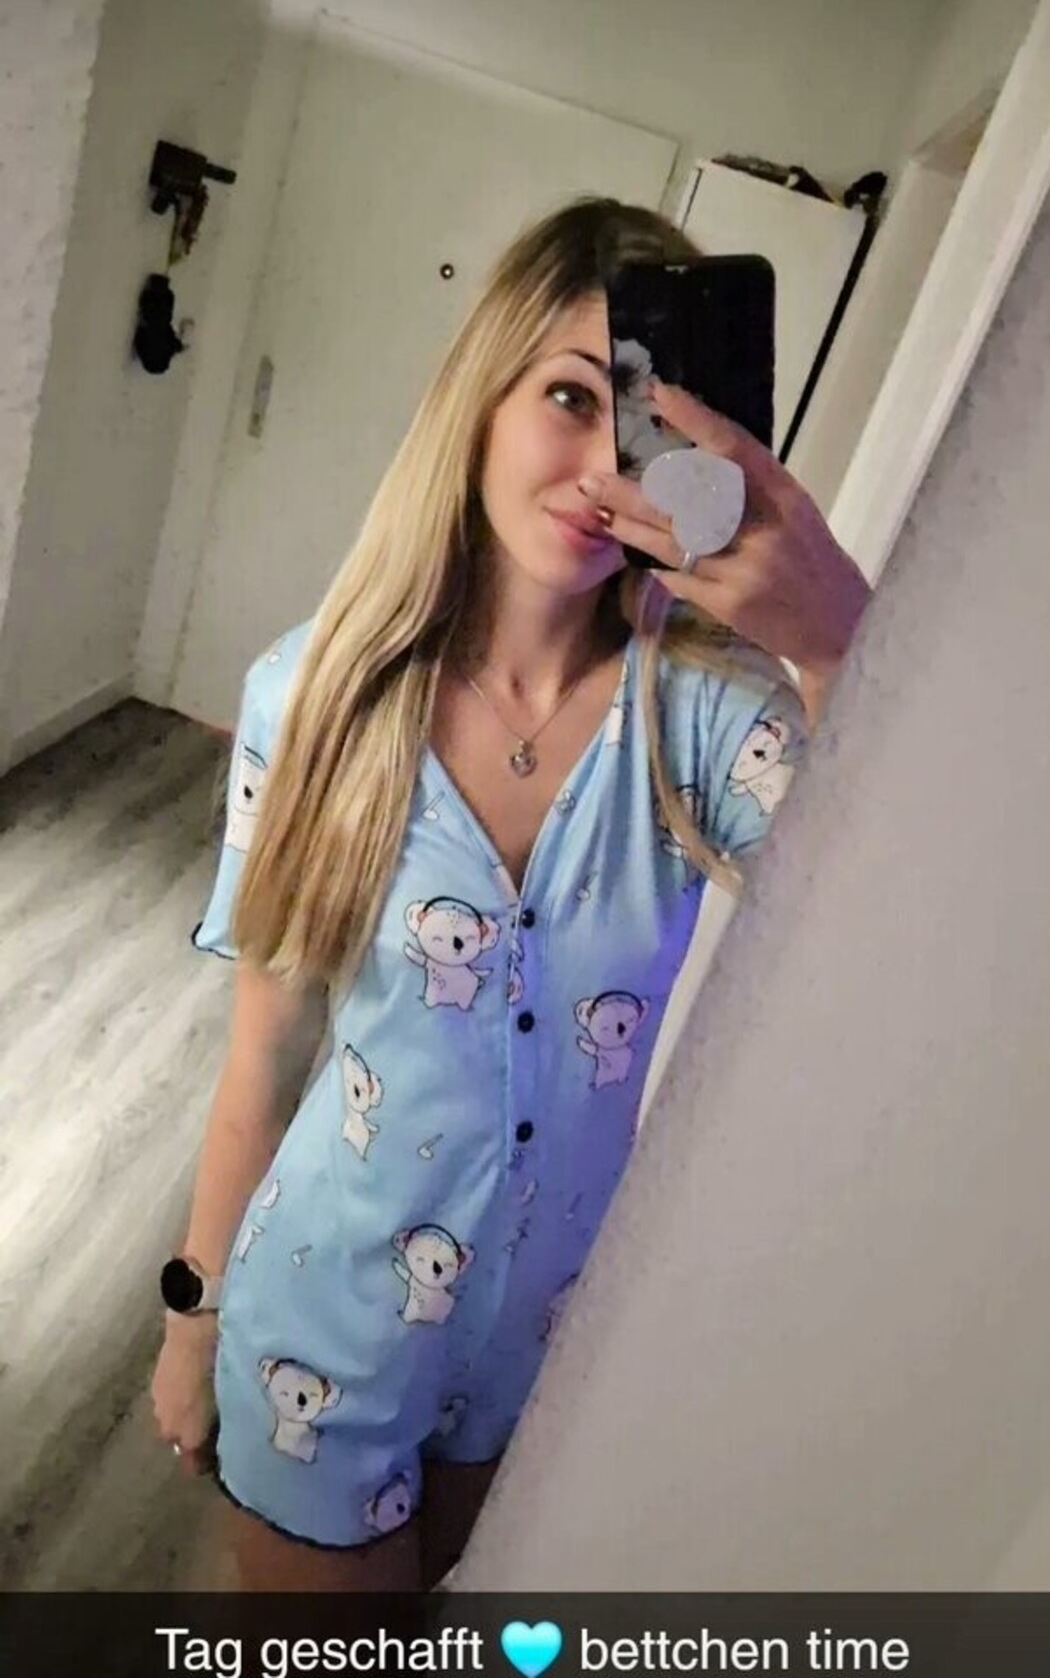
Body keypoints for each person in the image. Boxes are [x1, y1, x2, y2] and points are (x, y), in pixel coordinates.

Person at [151, 197, 870, 1592]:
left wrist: (839, 641)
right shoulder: (312, 699)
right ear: (480, 399)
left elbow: (887, 917)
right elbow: (266, 1055)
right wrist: (193, 1313)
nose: (604, 461)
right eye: (570, 396)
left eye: (645, 418)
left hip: (537, 1362)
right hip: (323, 1338)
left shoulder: (709, 716)